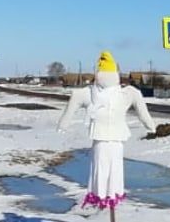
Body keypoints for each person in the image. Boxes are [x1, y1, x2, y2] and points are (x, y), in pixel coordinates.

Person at [56, 50, 156, 210]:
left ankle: (104, 197)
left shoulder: (91, 93)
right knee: (111, 170)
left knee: (103, 170)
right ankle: (109, 197)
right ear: (115, 74)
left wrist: (63, 124)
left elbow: (72, 104)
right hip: (113, 141)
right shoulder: (126, 93)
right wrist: (150, 126)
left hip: (105, 141)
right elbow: (142, 112)